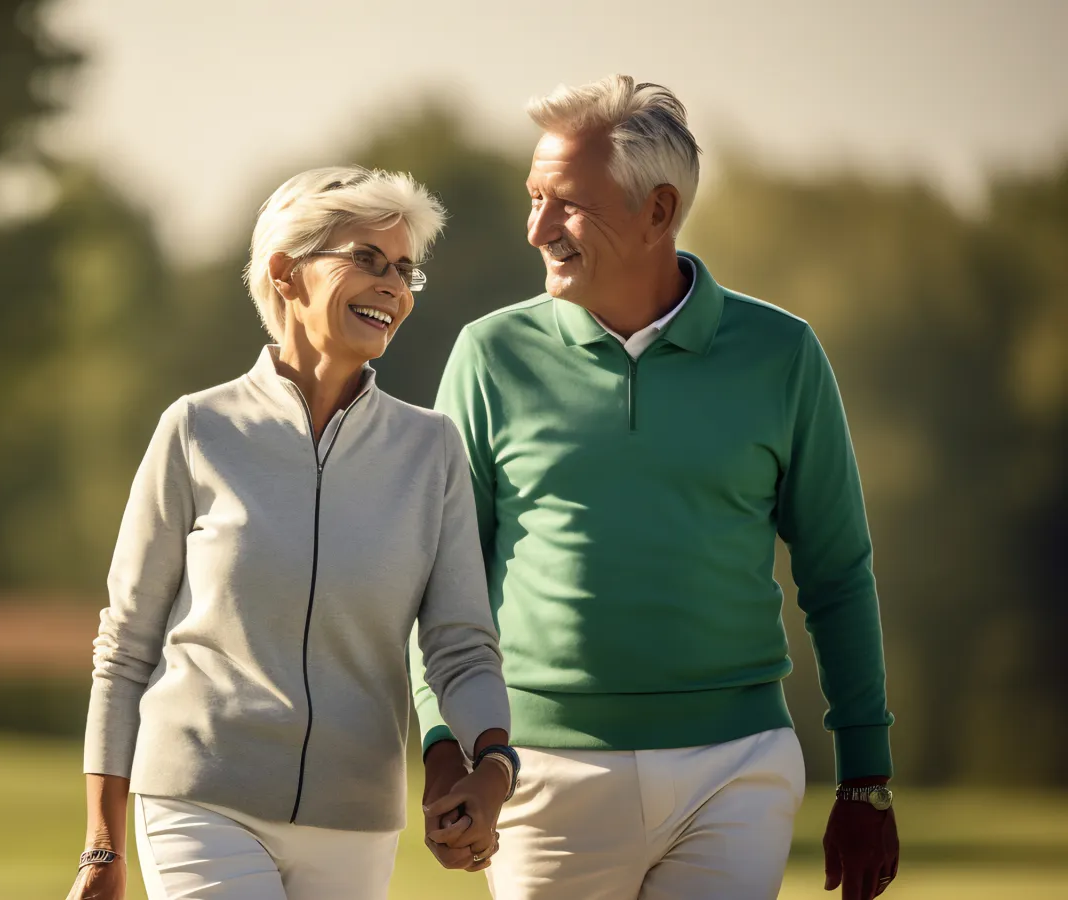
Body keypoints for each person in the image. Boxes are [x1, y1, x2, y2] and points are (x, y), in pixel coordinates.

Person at [411, 75, 901, 900]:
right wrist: (445, 746)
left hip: (735, 766)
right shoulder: (489, 356)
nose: (537, 229)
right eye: (534, 199)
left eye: (565, 204)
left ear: (659, 211)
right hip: (538, 770)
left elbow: (838, 573)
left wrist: (865, 780)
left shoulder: (780, 355)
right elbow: (437, 581)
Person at [70, 165, 515, 900]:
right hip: (199, 798)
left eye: (404, 270)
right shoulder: (196, 429)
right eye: (365, 260)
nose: (392, 287)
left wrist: (493, 759)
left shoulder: (431, 450)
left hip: (356, 821)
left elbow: (461, 646)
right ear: (285, 274)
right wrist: (100, 846)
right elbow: (125, 645)